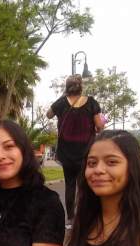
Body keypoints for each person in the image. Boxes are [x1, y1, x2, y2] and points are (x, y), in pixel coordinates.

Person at [47, 75, 105, 229]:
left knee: (70, 185)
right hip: (85, 151)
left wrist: (62, 98)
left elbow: (48, 115)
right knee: (84, 185)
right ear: (81, 87)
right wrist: (101, 121)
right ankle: (86, 217)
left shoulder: (61, 103)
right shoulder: (91, 102)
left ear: (67, 88)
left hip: (66, 152)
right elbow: (99, 126)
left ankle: (70, 219)